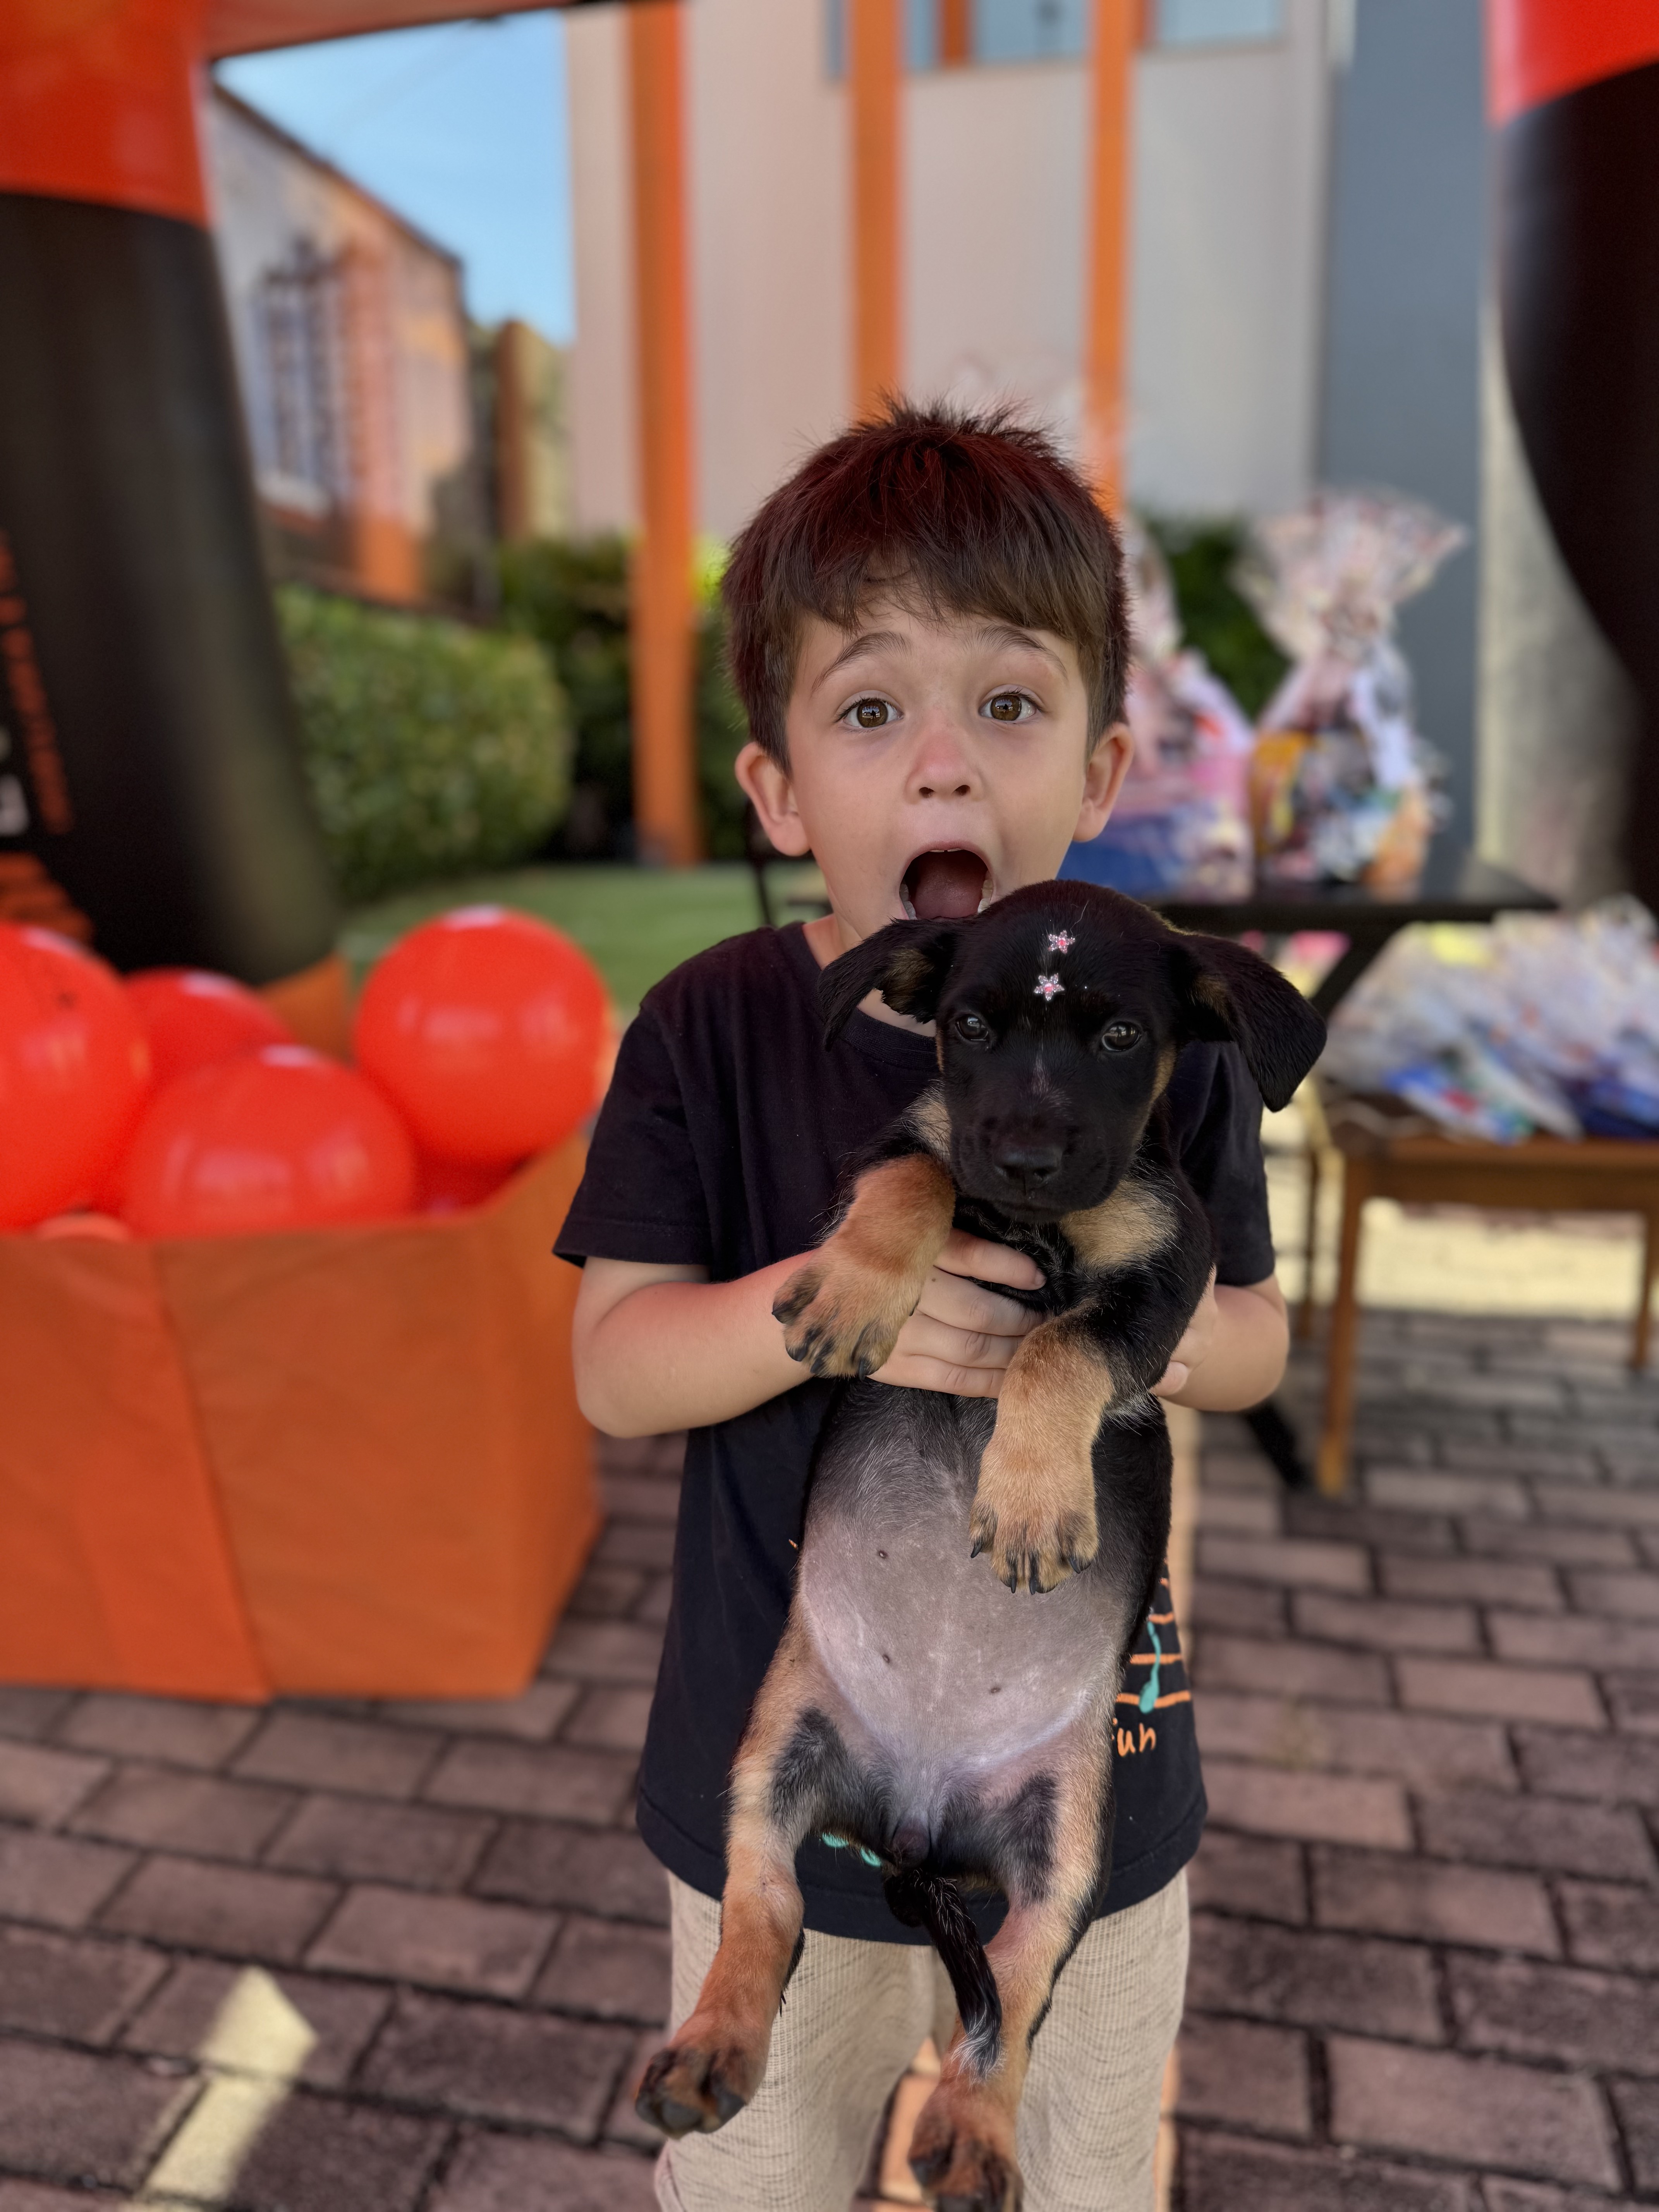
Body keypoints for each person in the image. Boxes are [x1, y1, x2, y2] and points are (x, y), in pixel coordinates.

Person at [558, 403, 1292, 2212]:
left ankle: (995, 2095)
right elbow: (617, 1372)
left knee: (1080, 2169)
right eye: (874, 710)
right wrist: (830, 1303)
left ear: (1104, 770)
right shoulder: (711, 1030)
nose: (946, 770)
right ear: (778, 791)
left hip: (1082, 1753)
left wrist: (1089, 1350)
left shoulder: (1165, 1029)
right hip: (786, 1748)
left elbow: (1254, 1342)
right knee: (754, 2176)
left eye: (1010, 704)